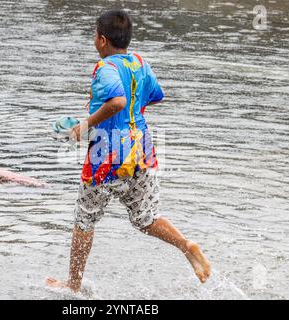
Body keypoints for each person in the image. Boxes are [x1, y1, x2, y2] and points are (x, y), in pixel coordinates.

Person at [47, 9, 211, 293]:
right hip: (142, 151)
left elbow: (118, 101)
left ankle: (72, 285)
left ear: (101, 40)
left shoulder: (105, 68)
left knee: (84, 219)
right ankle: (186, 245)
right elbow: (157, 95)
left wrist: (84, 126)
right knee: (146, 217)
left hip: (107, 155)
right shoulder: (139, 63)